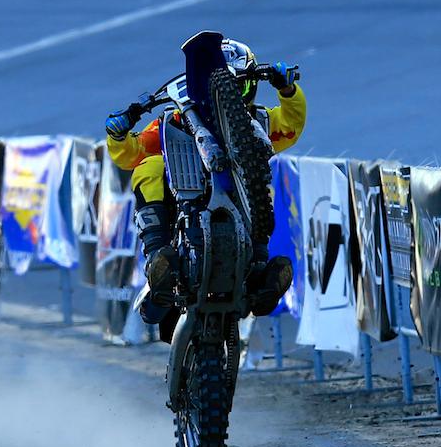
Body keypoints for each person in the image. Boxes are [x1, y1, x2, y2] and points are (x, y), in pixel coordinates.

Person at [103, 38, 306, 337]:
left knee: (266, 175)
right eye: (226, 87)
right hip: (185, 204)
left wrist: (287, 89)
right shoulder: (174, 122)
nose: (231, 96)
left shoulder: (258, 121)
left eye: (241, 86)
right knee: (149, 166)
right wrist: (118, 135)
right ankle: (159, 257)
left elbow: (291, 125)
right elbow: (130, 154)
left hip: (244, 213)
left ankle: (260, 265)